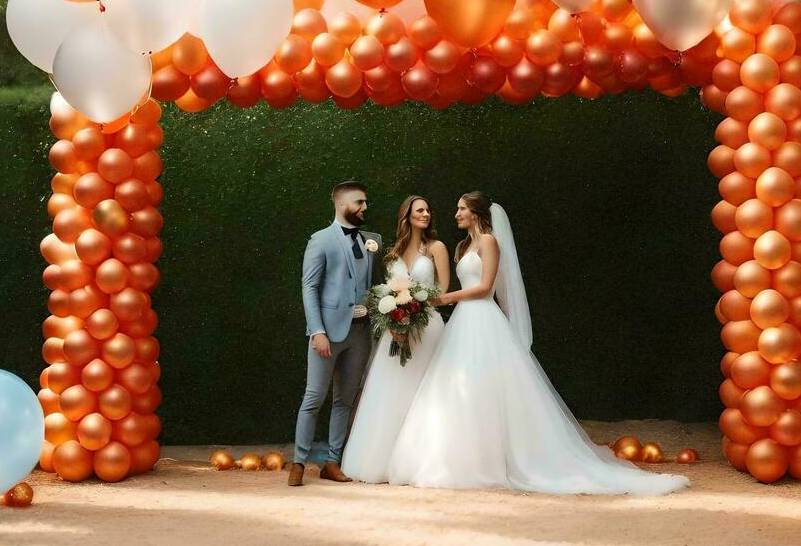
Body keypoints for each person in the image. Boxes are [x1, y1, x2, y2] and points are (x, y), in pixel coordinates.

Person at [388, 191, 689, 495]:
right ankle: (463, 458)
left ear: (477, 213)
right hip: (464, 321)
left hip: (483, 318)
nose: (456, 213)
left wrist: (444, 298)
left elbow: (485, 287)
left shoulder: (489, 241)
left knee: (489, 387)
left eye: (462, 208)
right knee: (460, 389)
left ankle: (497, 461)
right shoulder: (464, 245)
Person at [340, 196, 450, 483]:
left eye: (428, 210)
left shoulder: (436, 248)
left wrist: (415, 306)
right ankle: (383, 462)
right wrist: (395, 317)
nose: (426, 214)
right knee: (392, 393)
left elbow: (443, 291)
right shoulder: (392, 253)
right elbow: (383, 291)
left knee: (427, 394)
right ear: (407, 216)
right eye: (420, 210)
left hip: (428, 328)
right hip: (397, 329)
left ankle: (422, 462)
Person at [291, 181, 381, 487]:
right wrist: (317, 331)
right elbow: (309, 286)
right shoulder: (321, 240)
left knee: (345, 399)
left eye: (366, 202)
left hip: (361, 333)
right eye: (360, 202)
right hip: (328, 333)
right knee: (314, 397)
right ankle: (299, 463)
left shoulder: (372, 240)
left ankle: (332, 462)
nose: (365, 208)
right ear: (342, 205)